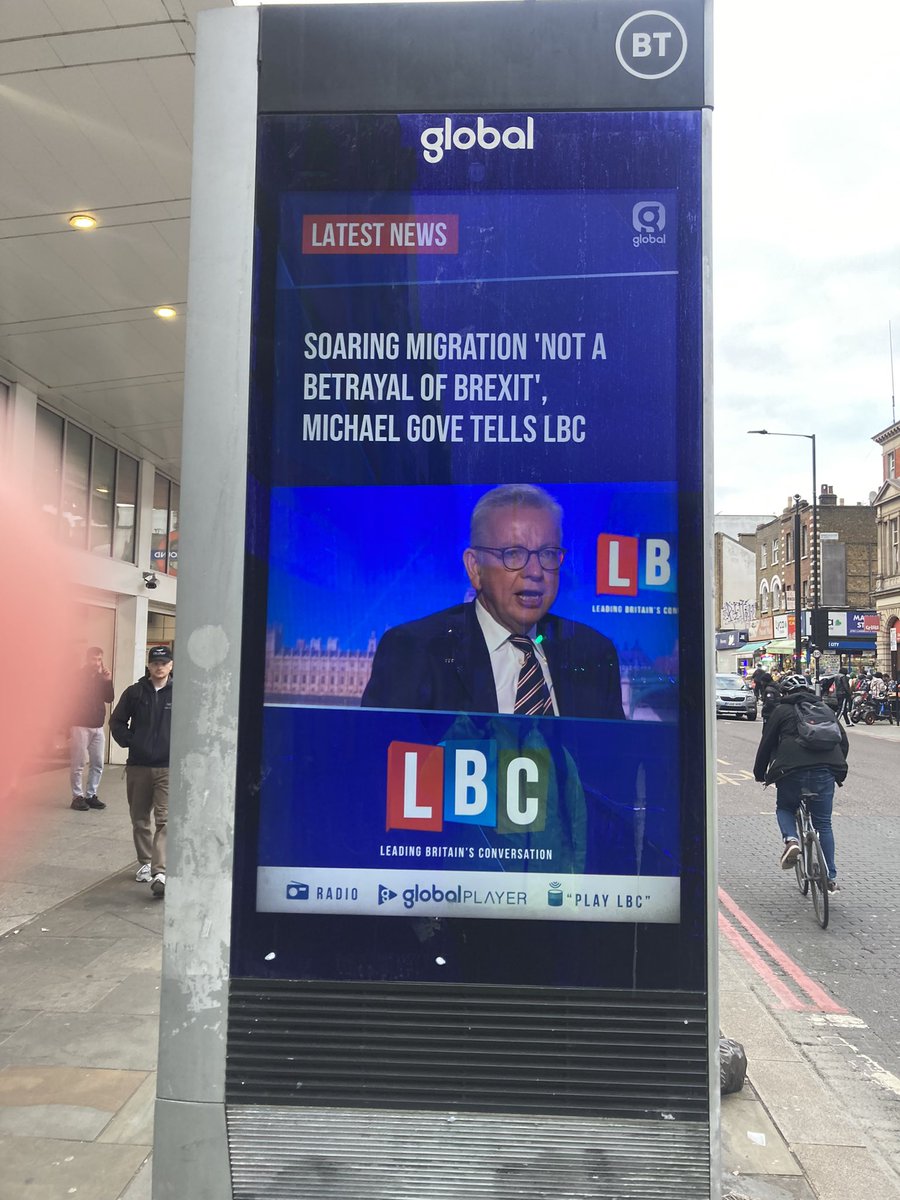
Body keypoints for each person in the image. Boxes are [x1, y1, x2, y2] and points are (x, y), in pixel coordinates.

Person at [361, 484, 624, 719]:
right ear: (475, 568)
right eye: (513, 554)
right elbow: (380, 765)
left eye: (548, 554)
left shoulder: (594, 655)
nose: (534, 571)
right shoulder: (415, 651)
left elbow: (613, 768)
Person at [753, 672, 849, 892]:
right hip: (826, 771)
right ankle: (830, 877)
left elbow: (766, 744)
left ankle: (791, 840)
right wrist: (837, 768)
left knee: (785, 808)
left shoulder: (781, 710)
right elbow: (843, 742)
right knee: (823, 823)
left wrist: (760, 773)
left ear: (786, 693)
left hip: (791, 770)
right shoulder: (826, 710)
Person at [110, 645, 173, 898]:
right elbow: (116, 721)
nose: (160, 667)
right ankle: (145, 862)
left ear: (171, 665)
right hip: (138, 766)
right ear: (149, 665)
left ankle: (160, 871)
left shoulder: (179, 693)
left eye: (164, 662)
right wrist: (130, 741)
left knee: (165, 820)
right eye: (155, 663)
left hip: (167, 767)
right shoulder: (135, 693)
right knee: (139, 819)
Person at [69, 646, 114, 811]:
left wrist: (107, 681)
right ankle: (77, 796)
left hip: (98, 726)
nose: (96, 663)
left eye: (99, 659)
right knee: (78, 763)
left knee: (97, 763)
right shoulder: (78, 676)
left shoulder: (103, 678)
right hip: (80, 725)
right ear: (87, 659)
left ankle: (91, 795)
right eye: (94, 659)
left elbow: (109, 698)